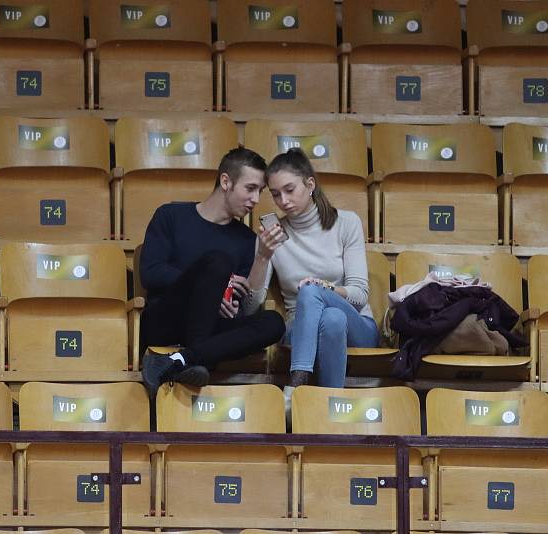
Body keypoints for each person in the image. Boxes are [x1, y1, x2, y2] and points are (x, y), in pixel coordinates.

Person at [140, 147, 286, 397]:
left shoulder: (245, 239)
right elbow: (151, 273)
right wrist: (206, 289)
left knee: (274, 323)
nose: (255, 199)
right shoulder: (171, 215)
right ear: (226, 181)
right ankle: (196, 360)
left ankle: (182, 360)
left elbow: (241, 307)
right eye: (250, 188)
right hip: (166, 319)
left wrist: (262, 257)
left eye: (259, 191)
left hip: (210, 328)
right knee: (218, 262)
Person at [245, 148, 379, 407]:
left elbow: (360, 295)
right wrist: (262, 256)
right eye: (275, 194)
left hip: (359, 325)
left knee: (313, 293)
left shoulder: (347, 223)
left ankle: (296, 384)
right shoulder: (272, 236)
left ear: (310, 184)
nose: (283, 200)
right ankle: (331, 407)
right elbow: (251, 307)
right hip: (299, 327)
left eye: (289, 189)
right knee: (332, 319)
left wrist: (324, 288)